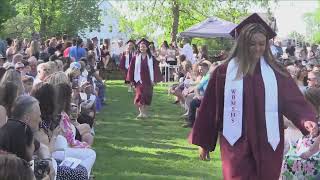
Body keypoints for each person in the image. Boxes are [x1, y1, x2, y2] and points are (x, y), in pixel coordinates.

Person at [189, 13, 318, 180]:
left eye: (261, 44)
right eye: (252, 44)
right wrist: (204, 142)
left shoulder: (277, 73)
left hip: (268, 142)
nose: (258, 48)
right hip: (236, 142)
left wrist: (306, 120)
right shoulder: (223, 72)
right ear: (242, 44)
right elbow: (210, 107)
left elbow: (294, 102)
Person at [126, 38, 162, 118]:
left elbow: (156, 68)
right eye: (141, 47)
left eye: (144, 47)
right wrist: (131, 80)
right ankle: (141, 112)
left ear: (147, 48)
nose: (142, 48)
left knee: (146, 95)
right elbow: (131, 69)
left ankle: (144, 112)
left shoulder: (151, 58)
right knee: (139, 95)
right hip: (138, 79)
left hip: (148, 80)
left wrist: (155, 80)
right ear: (139, 48)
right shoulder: (135, 57)